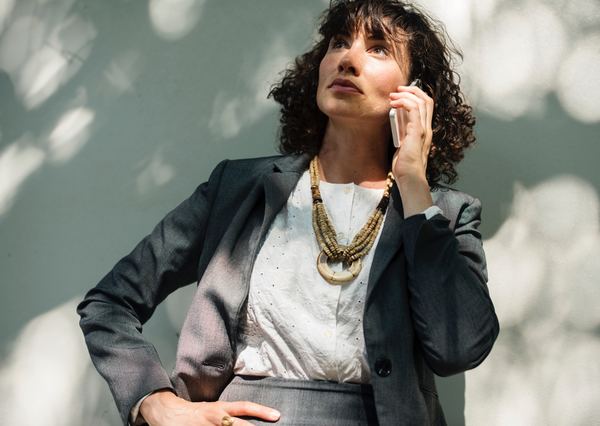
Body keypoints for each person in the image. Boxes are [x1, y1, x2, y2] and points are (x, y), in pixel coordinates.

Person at [77, 0, 499, 425]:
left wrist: (412, 180)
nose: (348, 60)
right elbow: (109, 301)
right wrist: (153, 400)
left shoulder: (443, 212)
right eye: (338, 43)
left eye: (378, 49)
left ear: (415, 93)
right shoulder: (237, 189)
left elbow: (459, 348)